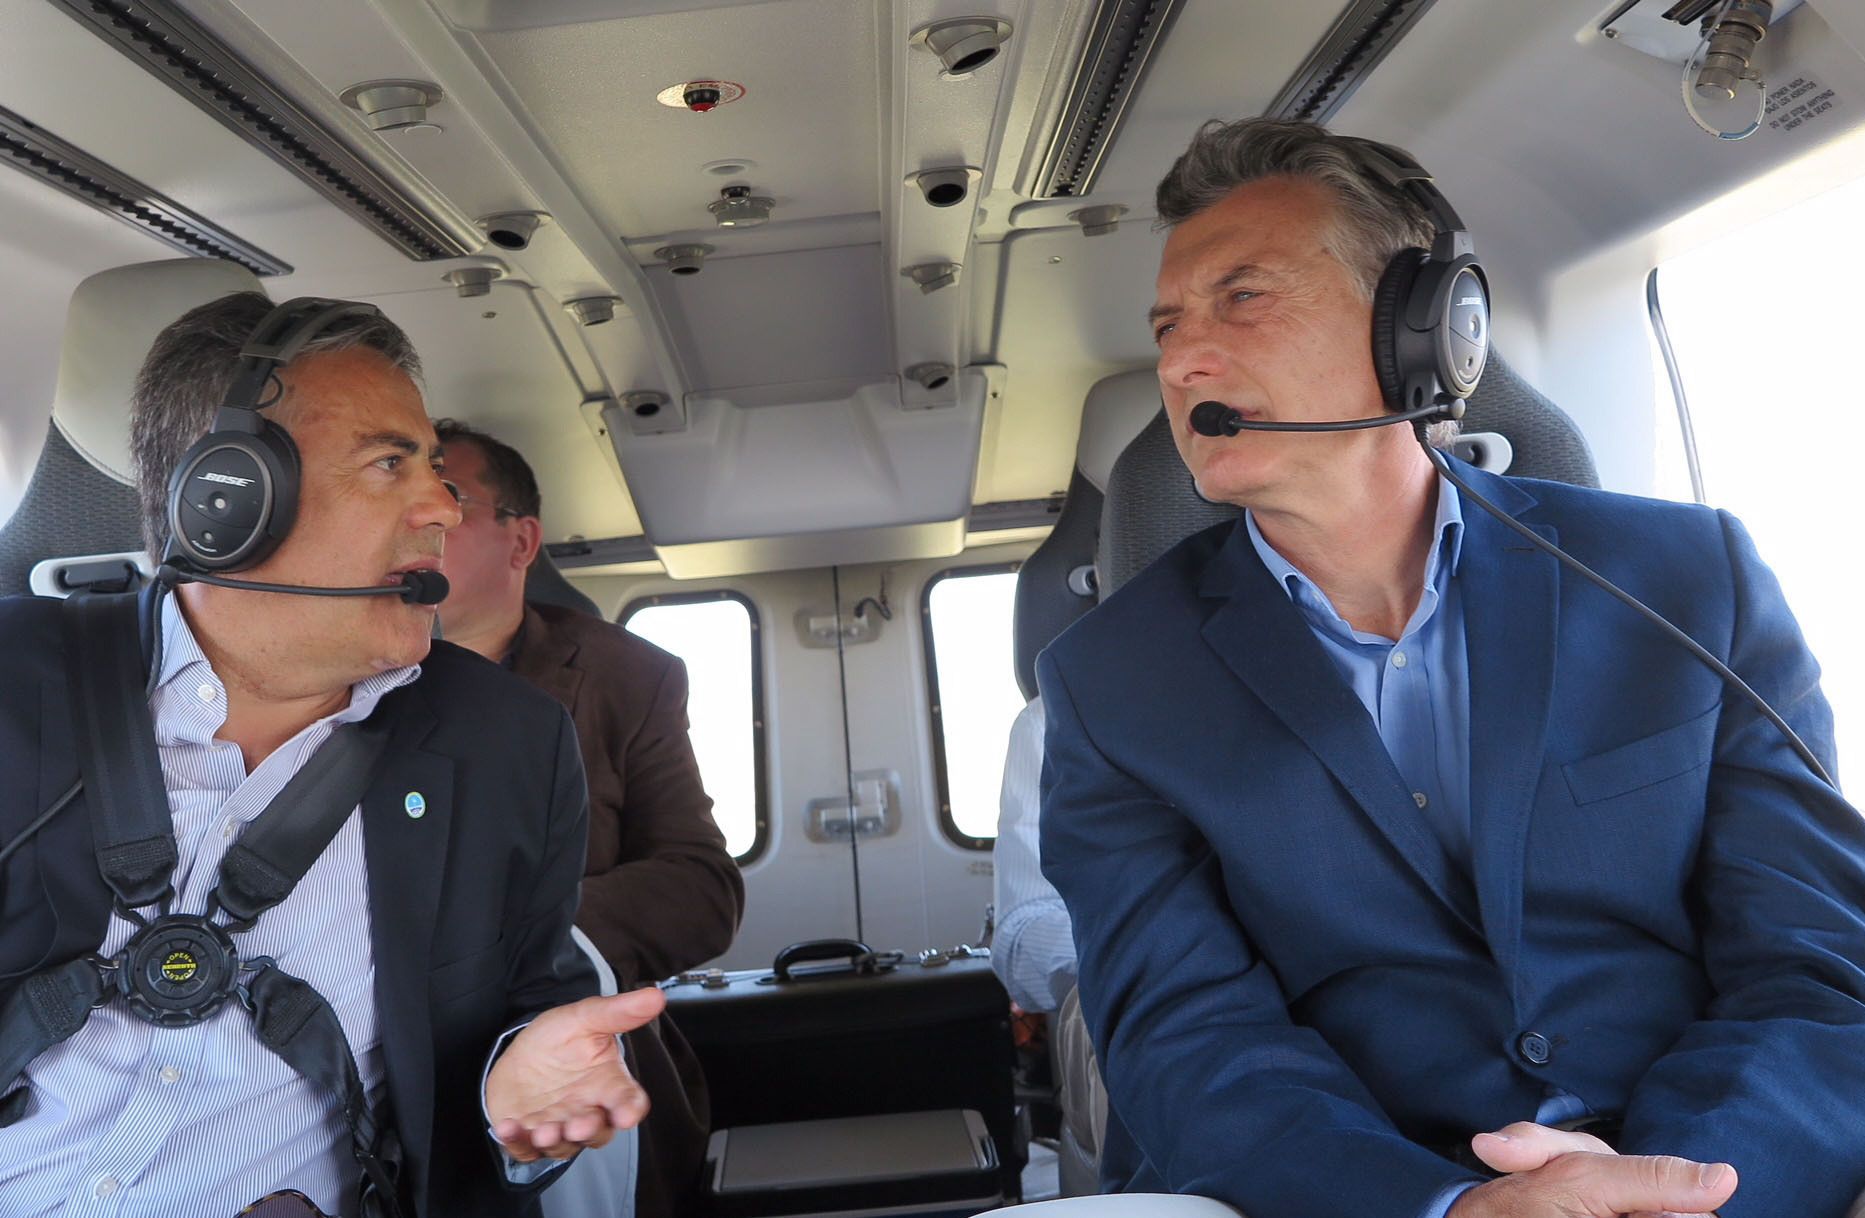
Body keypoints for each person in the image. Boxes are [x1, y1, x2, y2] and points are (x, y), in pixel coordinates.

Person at [1036, 117, 1865, 1218]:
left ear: (1421, 331)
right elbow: (1186, 1035)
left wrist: (1684, 1189)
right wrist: (1449, 1208)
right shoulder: (1109, 682)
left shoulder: (1684, 581)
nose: (1183, 362)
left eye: (1242, 299)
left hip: (1707, 1169)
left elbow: (1817, 961)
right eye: (1168, 326)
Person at [0, 292, 665, 1218]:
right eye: (391, 463)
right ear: (227, 499)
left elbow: (525, 1005)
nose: (442, 506)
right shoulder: (12, 679)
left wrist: (517, 1090)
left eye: (436, 469)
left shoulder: (505, 742)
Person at [433, 418, 744, 1217]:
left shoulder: (625, 677)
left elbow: (701, 886)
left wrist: (533, 941)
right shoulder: (331, 678)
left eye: (447, 498)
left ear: (520, 541)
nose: (418, 516)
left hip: (579, 1057)